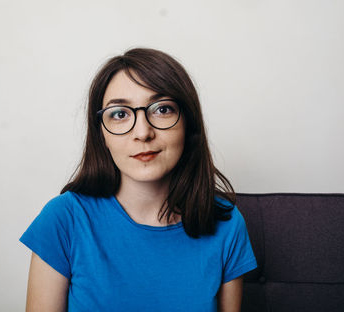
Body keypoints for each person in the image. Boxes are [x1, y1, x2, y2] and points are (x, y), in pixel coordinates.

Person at [20, 48, 257, 312]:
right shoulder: (63, 218)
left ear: (188, 123)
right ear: (102, 135)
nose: (143, 132)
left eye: (162, 109)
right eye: (120, 114)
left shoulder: (226, 222)